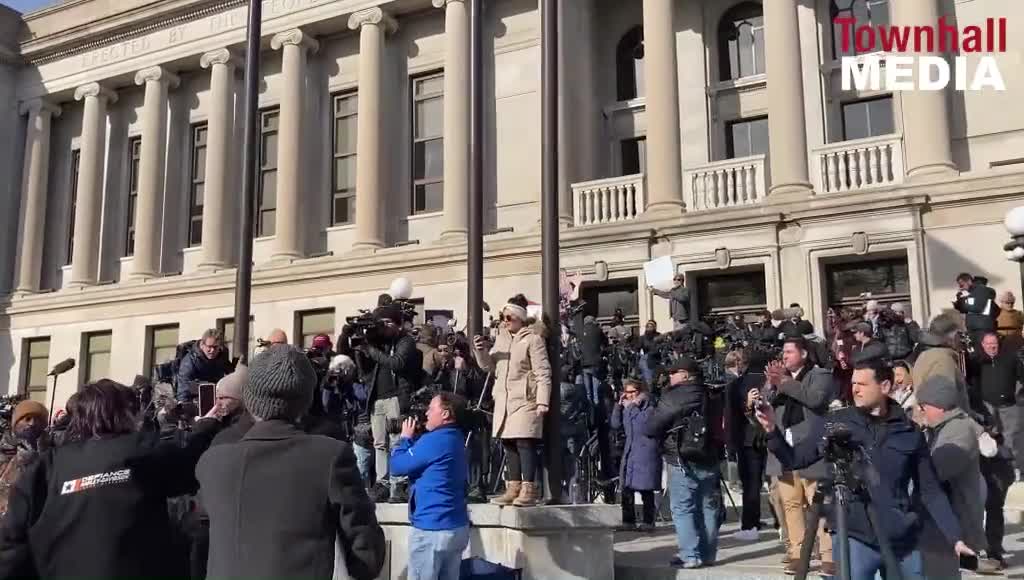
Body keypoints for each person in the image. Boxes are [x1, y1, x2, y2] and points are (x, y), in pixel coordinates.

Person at [755, 361, 976, 578]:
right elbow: (795, 458)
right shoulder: (837, 422)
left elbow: (930, 491)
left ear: (886, 386)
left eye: (863, 384)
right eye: (853, 383)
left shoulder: (910, 432)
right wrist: (772, 430)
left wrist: (955, 538)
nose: (855, 389)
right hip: (855, 535)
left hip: (901, 538)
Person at [0, 380, 224, 579]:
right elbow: (187, 466)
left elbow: (10, 545)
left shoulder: (46, 466)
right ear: (123, 413)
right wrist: (206, 427)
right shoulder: (142, 450)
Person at [197, 345, 386, 580]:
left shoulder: (213, 461)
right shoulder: (329, 456)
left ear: (251, 399)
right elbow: (367, 554)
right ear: (306, 401)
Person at [761, 337, 835, 576]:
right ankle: (798, 553)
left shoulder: (819, 375)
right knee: (790, 504)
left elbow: (815, 399)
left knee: (819, 505)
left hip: (811, 449)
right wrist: (769, 388)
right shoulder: (776, 379)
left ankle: (828, 555)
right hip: (783, 448)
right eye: (783, 352)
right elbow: (766, 404)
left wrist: (783, 381)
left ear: (804, 354)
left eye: (789, 352)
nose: (784, 356)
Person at [473, 295, 552, 508]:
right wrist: (480, 350)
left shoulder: (533, 339)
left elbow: (543, 371)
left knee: (524, 441)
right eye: (502, 317)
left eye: (509, 317)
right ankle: (513, 486)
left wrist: (543, 400)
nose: (505, 321)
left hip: (526, 398)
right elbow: (488, 366)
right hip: (504, 399)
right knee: (508, 442)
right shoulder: (501, 338)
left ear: (519, 318)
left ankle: (529, 487)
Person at [645, 357, 723, 569]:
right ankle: (707, 555)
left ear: (687, 375)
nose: (669, 376)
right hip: (710, 456)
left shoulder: (675, 396)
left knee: (682, 507)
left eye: (674, 372)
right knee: (708, 507)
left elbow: (651, 427)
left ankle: (690, 555)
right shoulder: (712, 393)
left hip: (681, 458)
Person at [914, 375, 990, 578]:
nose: (920, 411)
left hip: (956, 521)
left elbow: (934, 471)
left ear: (939, 406)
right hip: (943, 525)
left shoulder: (958, 431)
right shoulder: (939, 428)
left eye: (923, 406)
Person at [346, 303, 423, 503]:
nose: (383, 329)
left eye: (386, 323)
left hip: (396, 397)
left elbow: (397, 363)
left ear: (395, 323)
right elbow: (364, 371)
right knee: (380, 443)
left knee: (397, 440)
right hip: (377, 399)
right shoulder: (379, 343)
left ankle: (399, 484)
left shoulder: (405, 341)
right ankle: (383, 483)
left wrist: (370, 349)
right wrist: (359, 347)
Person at [389, 392, 470, 580]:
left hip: (432, 530)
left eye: (431, 408)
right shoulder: (457, 439)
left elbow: (396, 466)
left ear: (445, 414)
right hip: (456, 527)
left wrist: (405, 439)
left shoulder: (434, 441)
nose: (426, 413)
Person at [725, 350, 768, 541]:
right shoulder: (768, 381)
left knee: (750, 484)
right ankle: (772, 520)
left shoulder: (739, 383)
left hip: (747, 439)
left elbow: (732, 414)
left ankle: (750, 523)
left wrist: (731, 442)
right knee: (769, 482)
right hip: (769, 435)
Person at [967, 332, 1024, 468]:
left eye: (995, 344)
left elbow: (1021, 377)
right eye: (988, 344)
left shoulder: (1010, 358)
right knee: (991, 436)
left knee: (1011, 438)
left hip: (1008, 405)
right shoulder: (976, 361)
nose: (992, 347)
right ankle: (995, 467)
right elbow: (967, 379)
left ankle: (1013, 468)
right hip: (987, 406)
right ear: (982, 345)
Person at [611, 379, 660, 532]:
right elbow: (615, 424)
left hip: (645, 451)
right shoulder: (627, 407)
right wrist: (618, 407)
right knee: (626, 487)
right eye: (627, 392)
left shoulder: (649, 408)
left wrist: (631, 407)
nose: (630, 395)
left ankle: (648, 521)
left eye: (633, 392)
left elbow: (642, 426)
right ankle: (628, 521)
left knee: (646, 488)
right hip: (630, 450)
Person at [0, 401, 49, 517]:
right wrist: (22, 458)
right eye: (27, 419)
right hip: (9, 507)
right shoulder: (8, 442)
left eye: (37, 419)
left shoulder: (49, 442)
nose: (32, 424)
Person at [913, 313, 971, 412]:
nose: (962, 339)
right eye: (960, 334)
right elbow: (942, 403)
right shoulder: (943, 360)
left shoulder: (927, 354)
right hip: (946, 423)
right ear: (953, 336)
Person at [176, 328, 233, 402]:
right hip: (196, 400)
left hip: (216, 399)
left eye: (215, 347)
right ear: (202, 345)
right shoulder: (190, 361)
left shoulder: (222, 358)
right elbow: (183, 388)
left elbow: (232, 376)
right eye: (209, 347)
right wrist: (185, 407)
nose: (212, 350)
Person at [954, 273, 1000, 342]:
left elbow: (978, 308)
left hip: (981, 329)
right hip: (976, 329)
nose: (961, 287)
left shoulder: (981, 290)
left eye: (962, 285)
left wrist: (962, 304)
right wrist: (959, 304)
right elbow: (971, 309)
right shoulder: (973, 293)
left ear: (969, 281)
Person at [579, 315, 607, 406]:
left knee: (588, 392)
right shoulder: (598, 330)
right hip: (595, 363)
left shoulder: (581, 331)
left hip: (584, 363)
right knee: (596, 392)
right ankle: (597, 411)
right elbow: (605, 342)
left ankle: (590, 412)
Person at [636, 320, 661, 385]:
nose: (649, 328)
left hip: (658, 358)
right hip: (647, 360)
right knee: (649, 380)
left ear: (655, 327)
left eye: (651, 326)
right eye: (648, 326)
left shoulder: (659, 336)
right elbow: (637, 349)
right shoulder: (642, 338)